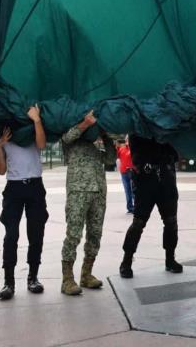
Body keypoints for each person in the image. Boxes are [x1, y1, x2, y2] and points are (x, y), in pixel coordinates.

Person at [0, 104, 48, 300]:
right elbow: (1, 171)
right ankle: (9, 282)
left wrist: (36, 120)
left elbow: (41, 145)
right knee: (11, 235)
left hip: (34, 186)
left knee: (36, 233)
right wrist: (0, 147)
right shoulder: (5, 136)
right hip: (14, 188)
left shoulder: (32, 131)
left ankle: (33, 277)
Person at [59, 111, 115, 295]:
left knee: (95, 235)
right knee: (74, 234)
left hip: (98, 193)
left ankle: (86, 274)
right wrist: (85, 123)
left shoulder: (95, 148)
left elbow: (111, 158)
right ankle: (67, 279)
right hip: (78, 192)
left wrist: (105, 135)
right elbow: (67, 138)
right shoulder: (70, 142)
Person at [119, 135, 182, 278]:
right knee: (138, 222)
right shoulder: (139, 128)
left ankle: (170, 259)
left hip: (166, 178)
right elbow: (136, 153)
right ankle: (126, 261)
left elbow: (176, 149)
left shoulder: (167, 126)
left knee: (171, 221)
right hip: (145, 180)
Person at [116, 136, 135, 214]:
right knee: (127, 191)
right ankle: (130, 208)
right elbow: (118, 157)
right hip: (124, 172)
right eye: (127, 139)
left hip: (132, 171)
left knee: (134, 190)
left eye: (129, 139)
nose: (127, 141)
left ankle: (137, 207)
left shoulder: (135, 149)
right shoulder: (121, 149)